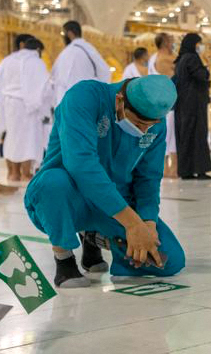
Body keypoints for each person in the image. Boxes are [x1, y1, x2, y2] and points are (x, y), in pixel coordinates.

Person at [24, 75, 185, 287]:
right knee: (52, 183)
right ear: (119, 101)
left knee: (169, 260)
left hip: (118, 199)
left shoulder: (155, 123)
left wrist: (147, 222)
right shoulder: (84, 97)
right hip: (70, 194)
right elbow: (81, 164)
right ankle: (64, 259)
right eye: (138, 124)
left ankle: (94, 237)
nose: (144, 131)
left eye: (150, 125)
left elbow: (148, 178)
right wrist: (132, 223)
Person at [1, 37, 51, 181]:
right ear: (37, 49)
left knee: (12, 139)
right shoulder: (36, 62)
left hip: (9, 105)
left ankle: (12, 173)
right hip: (28, 108)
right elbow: (44, 89)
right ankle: (25, 174)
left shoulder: (8, 60)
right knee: (28, 141)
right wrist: (45, 110)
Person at [173, 33, 211, 179]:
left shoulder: (181, 60)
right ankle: (200, 170)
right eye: (199, 44)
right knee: (197, 135)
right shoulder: (192, 58)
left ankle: (186, 171)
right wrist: (207, 66)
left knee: (186, 136)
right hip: (194, 104)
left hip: (183, 104)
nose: (200, 47)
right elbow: (201, 76)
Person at [50, 21, 111, 107]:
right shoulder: (88, 49)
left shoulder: (65, 53)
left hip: (66, 103)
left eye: (63, 33)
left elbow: (55, 78)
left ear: (70, 33)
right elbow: (105, 72)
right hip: (86, 101)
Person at [149, 33, 178, 177]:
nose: (173, 42)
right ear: (165, 42)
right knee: (171, 136)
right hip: (168, 103)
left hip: (159, 101)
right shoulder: (165, 59)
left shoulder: (153, 58)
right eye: (171, 40)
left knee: (166, 136)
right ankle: (171, 169)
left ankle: (168, 168)